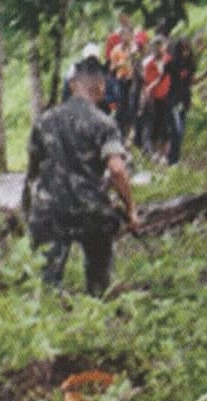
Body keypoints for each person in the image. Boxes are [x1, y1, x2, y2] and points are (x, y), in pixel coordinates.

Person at [24, 57, 141, 297]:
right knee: (99, 277)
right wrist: (131, 210)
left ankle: (48, 315)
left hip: (50, 210)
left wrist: (28, 207)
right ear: (100, 86)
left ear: (72, 84)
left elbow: (32, 171)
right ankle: (96, 306)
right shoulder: (103, 123)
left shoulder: (45, 121)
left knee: (45, 282)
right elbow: (117, 169)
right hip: (90, 210)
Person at [166, 36, 197, 165]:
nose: (185, 52)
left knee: (180, 131)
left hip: (184, 98)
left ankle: (175, 159)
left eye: (187, 49)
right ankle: (172, 158)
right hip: (172, 99)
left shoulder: (191, 64)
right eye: (183, 49)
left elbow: (190, 82)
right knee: (176, 129)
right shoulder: (172, 64)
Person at [141, 36, 172, 161]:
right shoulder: (149, 65)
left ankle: (166, 154)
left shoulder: (170, 61)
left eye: (160, 46)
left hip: (169, 96)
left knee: (168, 127)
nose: (158, 49)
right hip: (156, 99)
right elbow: (147, 83)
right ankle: (157, 153)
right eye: (155, 46)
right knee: (157, 125)